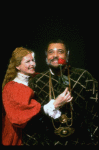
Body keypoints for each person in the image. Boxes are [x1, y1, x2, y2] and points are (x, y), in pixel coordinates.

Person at [28, 39, 98, 145]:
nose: (55, 55)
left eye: (60, 51)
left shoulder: (84, 76)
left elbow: (95, 113)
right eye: (51, 52)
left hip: (81, 142)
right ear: (46, 56)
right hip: (47, 142)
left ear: (67, 55)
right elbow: (31, 119)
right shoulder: (36, 82)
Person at [2, 47, 72, 146]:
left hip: (42, 134)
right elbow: (18, 117)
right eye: (28, 62)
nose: (33, 64)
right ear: (17, 66)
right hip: (21, 136)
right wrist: (53, 105)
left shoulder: (38, 78)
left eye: (33, 60)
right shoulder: (11, 88)